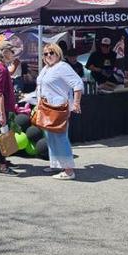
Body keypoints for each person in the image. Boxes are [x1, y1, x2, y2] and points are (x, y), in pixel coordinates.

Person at [37, 43, 83, 180]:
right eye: (45, 54)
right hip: (46, 107)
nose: (48, 56)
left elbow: (77, 83)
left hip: (58, 108)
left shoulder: (63, 67)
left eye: (52, 53)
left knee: (60, 138)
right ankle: (56, 164)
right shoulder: (46, 68)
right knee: (51, 138)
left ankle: (69, 170)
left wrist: (76, 103)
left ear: (58, 54)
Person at [0, 41, 18, 176]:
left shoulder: (0, 67)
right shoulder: (0, 69)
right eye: (11, 51)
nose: (13, 54)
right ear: (4, 52)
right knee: (2, 134)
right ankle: (1, 165)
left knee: (4, 134)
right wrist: (2, 114)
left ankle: (3, 160)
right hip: (0, 107)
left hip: (2, 106)